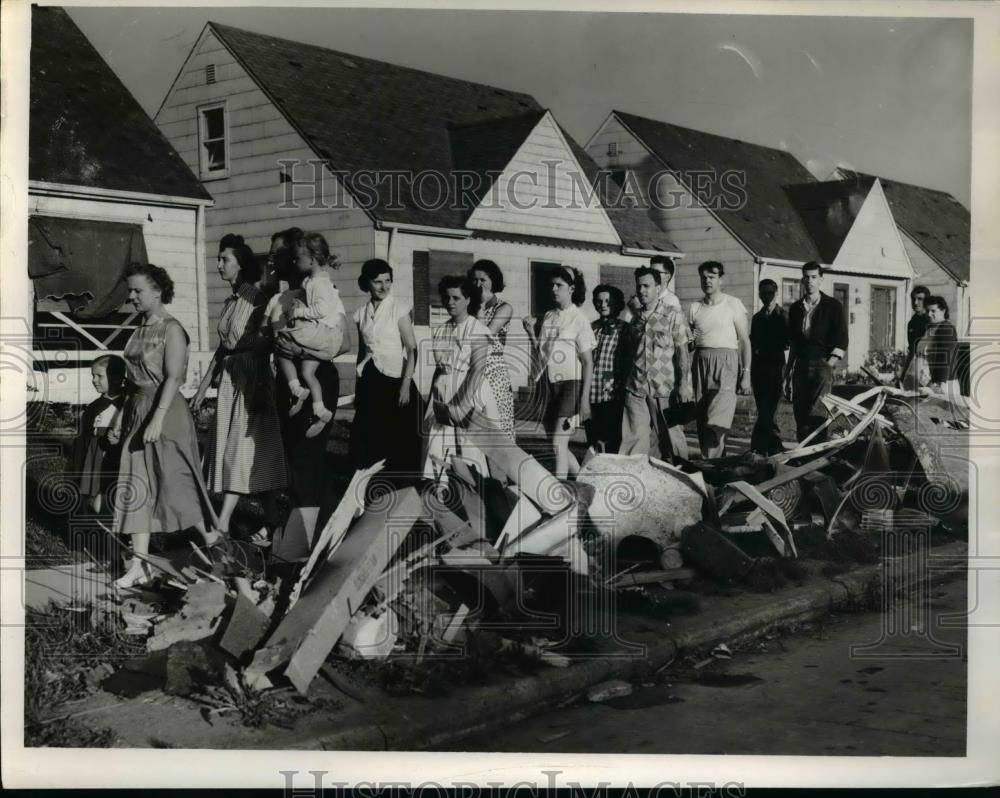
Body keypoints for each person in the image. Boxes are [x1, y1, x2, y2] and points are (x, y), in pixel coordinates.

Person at [112, 263, 222, 589]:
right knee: (138, 484)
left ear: (157, 290)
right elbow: (133, 383)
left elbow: (173, 378)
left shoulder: (171, 328)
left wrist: (157, 418)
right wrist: (121, 418)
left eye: (138, 291)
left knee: (176, 483)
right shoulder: (140, 327)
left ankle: (217, 544)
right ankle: (140, 564)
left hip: (167, 413)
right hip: (138, 410)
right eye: (129, 290)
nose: (131, 296)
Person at [191, 234, 288, 547]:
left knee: (243, 451)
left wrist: (256, 381)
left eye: (225, 260)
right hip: (231, 380)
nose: (219, 265)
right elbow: (223, 347)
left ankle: (221, 525)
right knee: (247, 455)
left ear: (241, 265)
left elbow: (267, 341)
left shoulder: (256, 299)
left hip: (252, 379)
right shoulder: (231, 301)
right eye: (218, 259)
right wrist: (204, 384)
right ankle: (274, 522)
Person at [265, 229, 344, 507]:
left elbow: (341, 343)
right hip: (288, 380)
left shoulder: (324, 290)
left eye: (278, 255)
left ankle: (315, 528)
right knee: (287, 455)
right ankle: (287, 527)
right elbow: (274, 340)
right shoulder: (280, 299)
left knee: (307, 457)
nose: (272, 261)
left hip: (317, 374)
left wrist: (299, 349)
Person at [424, 275, 506, 480]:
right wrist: (431, 401)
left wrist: (462, 404)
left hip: (469, 392)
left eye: (456, 298)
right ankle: (440, 491)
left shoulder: (478, 330)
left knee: (468, 449)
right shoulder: (441, 329)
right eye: (446, 297)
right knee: (437, 445)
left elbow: (478, 369)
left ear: (468, 300)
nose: (450, 302)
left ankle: (471, 496)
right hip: (443, 391)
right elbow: (439, 368)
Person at [351, 258, 423, 476]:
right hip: (370, 379)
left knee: (400, 438)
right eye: (377, 282)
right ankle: (369, 486)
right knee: (370, 438)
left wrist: (405, 384)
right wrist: (358, 385)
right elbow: (363, 352)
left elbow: (412, 349)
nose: (384, 287)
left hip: (396, 379)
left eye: (388, 281)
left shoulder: (398, 309)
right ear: (367, 283)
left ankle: (401, 487)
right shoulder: (360, 313)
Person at [522, 266, 595, 480]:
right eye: (552, 285)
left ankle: (560, 491)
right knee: (557, 443)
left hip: (570, 385)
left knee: (557, 443)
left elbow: (588, 363)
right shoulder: (549, 316)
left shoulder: (579, 319)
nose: (554, 289)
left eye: (559, 285)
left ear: (571, 289)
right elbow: (542, 353)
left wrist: (584, 400)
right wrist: (530, 333)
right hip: (547, 383)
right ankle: (583, 479)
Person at [274, 233, 345, 438]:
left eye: (298, 258)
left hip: (324, 333)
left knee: (284, 341)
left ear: (312, 259)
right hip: (324, 335)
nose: (295, 262)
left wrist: (298, 312)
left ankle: (296, 389)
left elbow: (321, 310)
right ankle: (320, 409)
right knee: (307, 373)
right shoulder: (314, 280)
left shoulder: (319, 282)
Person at [620, 268, 692, 462]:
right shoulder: (634, 319)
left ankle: (683, 481)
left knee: (672, 441)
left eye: (647, 286)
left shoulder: (673, 315)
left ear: (658, 288)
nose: (642, 290)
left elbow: (682, 352)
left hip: (666, 388)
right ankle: (635, 483)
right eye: (639, 286)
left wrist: (683, 384)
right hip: (636, 389)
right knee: (633, 442)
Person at [687, 261, 751, 459]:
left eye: (712, 277)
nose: (707, 281)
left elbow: (745, 342)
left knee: (716, 421)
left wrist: (745, 374)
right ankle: (719, 466)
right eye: (704, 277)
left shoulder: (733, 304)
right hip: (700, 363)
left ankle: (709, 467)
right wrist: (690, 340)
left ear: (720, 280)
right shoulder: (694, 307)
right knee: (703, 419)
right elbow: (689, 344)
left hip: (726, 364)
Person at [785, 261, 848, 444]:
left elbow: (842, 339)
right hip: (801, 365)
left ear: (821, 279)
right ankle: (802, 455)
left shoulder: (833, 306)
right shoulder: (796, 308)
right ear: (802, 279)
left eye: (814, 277)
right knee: (800, 412)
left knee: (818, 412)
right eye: (806, 277)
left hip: (822, 364)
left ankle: (816, 457)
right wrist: (787, 373)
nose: (810, 281)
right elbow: (795, 344)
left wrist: (829, 364)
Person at [72, 355, 126, 514]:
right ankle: (92, 520)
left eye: (99, 376)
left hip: (116, 456)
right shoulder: (95, 406)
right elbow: (84, 436)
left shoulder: (126, 404)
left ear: (116, 378)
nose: (94, 380)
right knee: (94, 490)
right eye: (92, 375)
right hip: (95, 454)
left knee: (113, 490)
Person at [469, 259, 516, 442]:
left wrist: (480, 307)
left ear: (493, 281)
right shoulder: (469, 307)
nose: (478, 284)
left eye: (483, 280)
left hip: (493, 372)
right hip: (472, 369)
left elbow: (485, 336)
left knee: (499, 430)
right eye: (474, 280)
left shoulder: (504, 307)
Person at [586, 284, 629, 455]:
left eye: (607, 301)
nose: (603, 305)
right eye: (599, 301)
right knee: (593, 438)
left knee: (611, 439)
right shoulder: (591, 327)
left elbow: (627, 361)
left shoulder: (624, 328)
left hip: (612, 393)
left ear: (616, 304)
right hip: (591, 391)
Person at [749, 279, 789, 456]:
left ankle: (760, 447)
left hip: (776, 369)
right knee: (763, 409)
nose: (767, 296)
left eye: (770, 293)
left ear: (776, 293)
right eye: (763, 293)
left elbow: (788, 343)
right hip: (759, 371)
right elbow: (752, 343)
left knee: (769, 410)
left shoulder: (784, 316)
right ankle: (773, 448)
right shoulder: (757, 318)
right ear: (759, 295)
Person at [918, 295, 959, 395]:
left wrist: (938, 383)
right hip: (929, 381)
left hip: (941, 383)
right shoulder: (931, 329)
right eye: (927, 311)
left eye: (933, 311)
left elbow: (945, 357)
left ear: (943, 311)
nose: (929, 314)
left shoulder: (946, 328)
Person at [621, 255, 682, 322]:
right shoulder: (640, 297)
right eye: (650, 271)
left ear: (667, 277)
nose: (651, 275)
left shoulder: (671, 300)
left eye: (656, 272)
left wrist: (636, 310)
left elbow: (659, 325)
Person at [901, 284, 930, 386]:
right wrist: (903, 375)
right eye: (913, 299)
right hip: (915, 368)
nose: (915, 302)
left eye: (920, 299)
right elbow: (912, 351)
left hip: (928, 370)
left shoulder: (931, 322)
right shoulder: (912, 323)